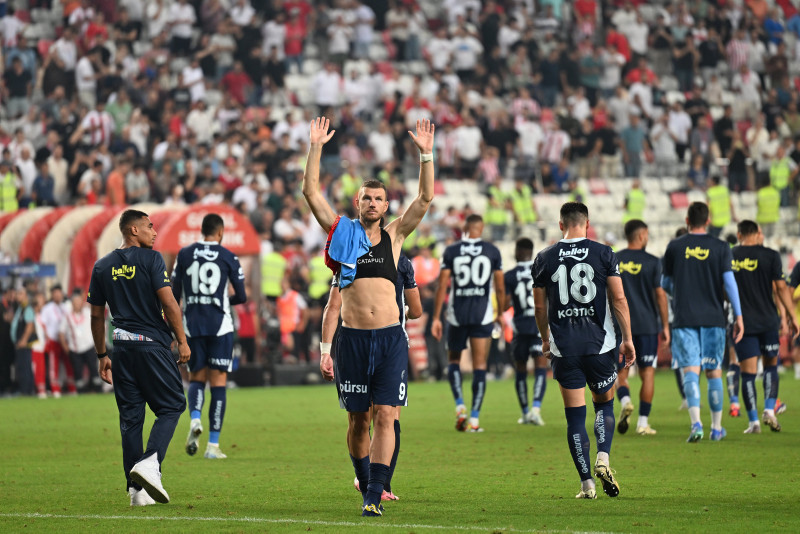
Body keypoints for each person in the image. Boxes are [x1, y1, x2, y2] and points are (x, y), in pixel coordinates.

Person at [303, 117, 434, 517]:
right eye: (366, 199)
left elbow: (425, 199)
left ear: (386, 205)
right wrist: (316, 147)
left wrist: (426, 154)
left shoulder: (395, 236)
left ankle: (374, 494)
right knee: (359, 421)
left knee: (387, 415)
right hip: (353, 341)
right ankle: (363, 479)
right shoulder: (341, 232)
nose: (372, 204)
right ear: (357, 203)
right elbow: (310, 191)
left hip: (391, 339)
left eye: (378, 199)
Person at [532, 201, 635, 499]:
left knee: (574, 418)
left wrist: (545, 339)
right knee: (603, 405)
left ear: (560, 224)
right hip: (600, 345)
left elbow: (540, 306)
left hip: (565, 348)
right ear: (587, 224)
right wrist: (627, 338)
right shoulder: (604, 253)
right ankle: (603, 458)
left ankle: (586, 484)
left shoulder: (544, 258)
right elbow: (618, 300)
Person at [88, 209, 191, 506]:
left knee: (131, 420)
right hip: (151, 346)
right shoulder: (152, 259)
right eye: (149, 226)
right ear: (133, 230)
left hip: (120, 349)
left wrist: (101, 355)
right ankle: (150, 463)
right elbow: (170, 304)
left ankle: (136, 491)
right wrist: (182, 342)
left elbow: (96, 316)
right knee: (172, 405)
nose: (154, 232)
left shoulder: (102, 266)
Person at [321, 253, 422, 501]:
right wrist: (401, 312)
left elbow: (333, 305)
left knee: (365, 420)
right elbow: (417, 310)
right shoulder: (401, 261)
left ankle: (374, 485)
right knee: (388, 417)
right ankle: (378, 483)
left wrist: (325, 350)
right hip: (390, 343)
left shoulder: (350, 256)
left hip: (360, 344)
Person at [662, 202, 744, 442]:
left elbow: (665, 283)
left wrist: (681, 290)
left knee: (690, 371)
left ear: (687, 220)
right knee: (713, 371)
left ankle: (696, 424)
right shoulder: (720, 247)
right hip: (713, 319)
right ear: (708, 221)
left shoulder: (674, 246)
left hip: (685, 317)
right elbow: (729, 283)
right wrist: (738, 316)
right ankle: (716, 428)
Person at [171, 213, 247, 459]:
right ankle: (213, 446)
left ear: (201, 231)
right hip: (220, 327)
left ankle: (194, 418)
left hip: (192, 325)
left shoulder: (184, 254)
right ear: (221, 232)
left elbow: (174, 293)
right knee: (218, 383)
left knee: (196, 378)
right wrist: (223, 299)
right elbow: (242, 295)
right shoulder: (228, 256)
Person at [432, 214, 504, 433]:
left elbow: (442, 284)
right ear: (480, 229)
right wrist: (500, 313)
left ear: (464, 228)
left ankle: (460, 407)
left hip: (456, 314)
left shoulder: (452, 251)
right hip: (482, 315)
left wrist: (436, 317)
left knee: (454, 360)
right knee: (480, 365)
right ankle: (474, 420)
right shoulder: (492, 251)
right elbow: (500, 288)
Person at [731, 220, 798, 433]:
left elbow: (724, 288)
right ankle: (769, 409)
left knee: (748, 373)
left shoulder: (730, 255)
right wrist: (791, 316)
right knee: (770, 366)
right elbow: (780, 288)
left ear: (739, 234)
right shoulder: (770, 255)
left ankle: (754, 423)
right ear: (758, 233)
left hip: (744, 322)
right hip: (768, 320)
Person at [614, 220, 670, 436]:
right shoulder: (653, 262)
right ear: (642, 235)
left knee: (621, 373)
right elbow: (660, 295)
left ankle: (626, 400)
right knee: (647, 373)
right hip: (647, 326)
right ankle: (643, 423)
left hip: (621, 326)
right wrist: (665, 325)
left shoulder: (615, 259)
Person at [502, 237, 547, 426]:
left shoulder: (509, 276)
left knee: (520, 370)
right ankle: (536, 410)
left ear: (519, 252)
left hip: (519, 328)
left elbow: (504, 305)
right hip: (539, 326)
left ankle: (525, 412)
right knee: (540, 368)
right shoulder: (542, 270)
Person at [59, 287, 101, 392]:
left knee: (94, 370)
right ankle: (81, 392)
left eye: (79, 302)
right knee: (78, 372)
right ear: (72, 303)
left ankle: (98, 390)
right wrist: (65, 347)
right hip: (75, 349)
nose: (77, 304)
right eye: (75, 302)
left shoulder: (88, 312)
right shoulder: (67, 316)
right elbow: (61, 332)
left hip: (89, 346)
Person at [40, 284, 77, 396]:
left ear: (62, 294)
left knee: (69, 364)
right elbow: (43, 324)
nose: (57, 295)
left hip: (65, 340)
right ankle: (55, 389)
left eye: (59, 293)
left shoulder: (66, 307)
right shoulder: (47, 308)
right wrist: (47, 338)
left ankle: (72, 388)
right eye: (55, 293)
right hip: (54, 340)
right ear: (52, 295)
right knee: (53, 366)